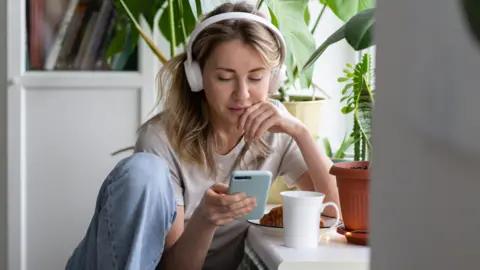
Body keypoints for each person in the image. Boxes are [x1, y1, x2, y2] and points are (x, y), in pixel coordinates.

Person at [65, 1, 340, 270]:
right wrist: (205, 220)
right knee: (143, 171)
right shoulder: (161, 140)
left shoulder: (276, 132)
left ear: (274, 79)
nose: (242, 95)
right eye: (224, 77)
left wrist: (300, 131)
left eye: (256, 78)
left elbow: (336, 212)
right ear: (196, 76)